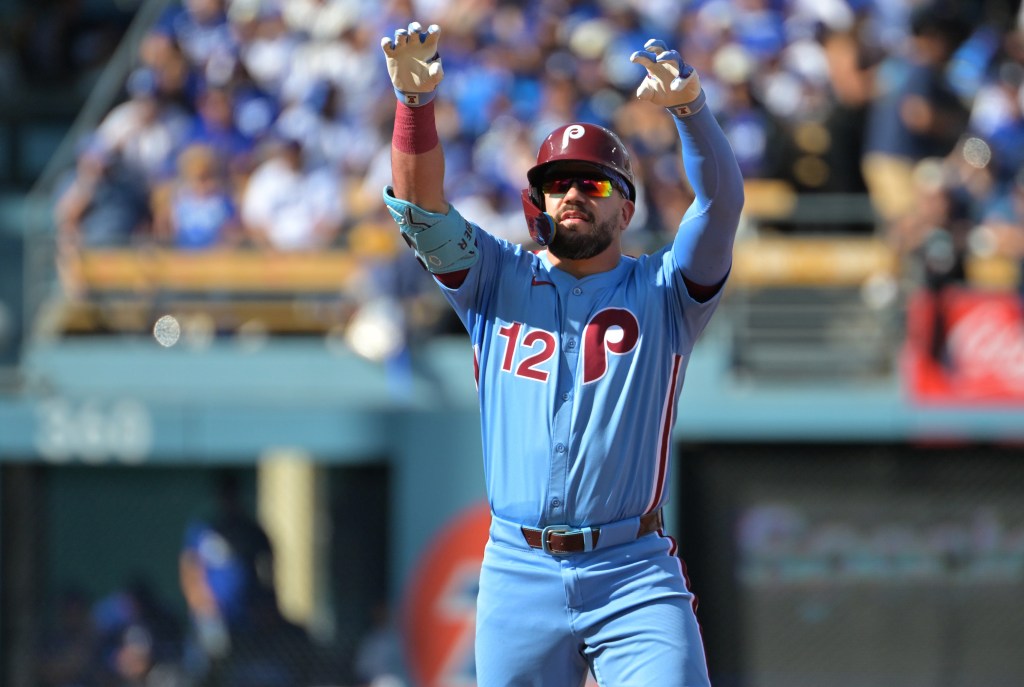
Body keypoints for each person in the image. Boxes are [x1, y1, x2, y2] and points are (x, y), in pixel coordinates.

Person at [380, 21, 743, 687]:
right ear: (537, 201)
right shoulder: (494, 277)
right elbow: (420, 208)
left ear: (626, 207)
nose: (574, 193)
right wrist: (414, 107)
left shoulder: (664, 292)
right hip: (520, 567)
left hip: (632, 567)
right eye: (559, 182)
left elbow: (720, 205)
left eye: (596, 184)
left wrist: (691, 112)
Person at [179, 471, 275, 685]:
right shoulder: (203, 529)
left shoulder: (251, 530)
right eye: (225, 494)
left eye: (232, 494)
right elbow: (189, 569)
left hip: (246, 617)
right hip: (211, 615)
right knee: (204, 670)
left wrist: (265, 607)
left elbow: (269, 570)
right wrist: (202, 603)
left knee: (245, 673)